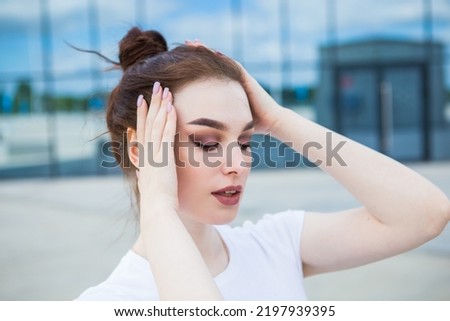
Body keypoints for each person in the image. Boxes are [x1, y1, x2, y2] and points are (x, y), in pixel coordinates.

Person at [76, 27, 450, 300]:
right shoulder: (108, 303)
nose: (237, 163)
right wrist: (159, 208)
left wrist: (276, 117)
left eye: (244, 141)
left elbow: (425, 214)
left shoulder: (275, 244)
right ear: (142, 152)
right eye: (207, 142)